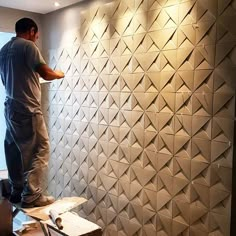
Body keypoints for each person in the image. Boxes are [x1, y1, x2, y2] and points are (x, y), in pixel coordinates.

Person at [0, 18, 64, 208]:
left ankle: (16, 191)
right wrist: (60, 73)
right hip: (28, 109)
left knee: (14, 150)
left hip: (11, 108)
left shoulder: (3, 50)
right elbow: (45, 73)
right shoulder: (28, 46)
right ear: (31, 30)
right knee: (40, 148)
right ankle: (32, 195)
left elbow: (8, 80)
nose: (36, 39)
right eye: (37, 35)